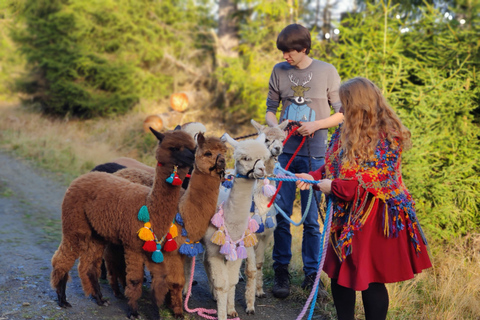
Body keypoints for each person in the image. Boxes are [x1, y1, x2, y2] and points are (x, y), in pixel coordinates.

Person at [295, 77, 432, 320]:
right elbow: (333, 166)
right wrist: (314, 176)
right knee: (339, 274)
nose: (340, 108)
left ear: (358, 104)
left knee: (371, 279)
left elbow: (375, 180)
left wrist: (333, 186)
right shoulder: (345, 130)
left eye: (344, 102)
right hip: (344, 215)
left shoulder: (389, 136)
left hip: (373, 218)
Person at [265, 23, 344, 299]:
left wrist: (316, 125)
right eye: (283, 52)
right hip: (285, 155)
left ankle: (311, 275)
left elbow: (341, 113)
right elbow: (270, 110)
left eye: (290, 52)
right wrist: (277, 127)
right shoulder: (279, 71)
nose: (286, 56)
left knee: (311, 220)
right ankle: (281, 272)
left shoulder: (327, 71)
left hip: (315, 157)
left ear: (304, 49)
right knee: (283, 215)